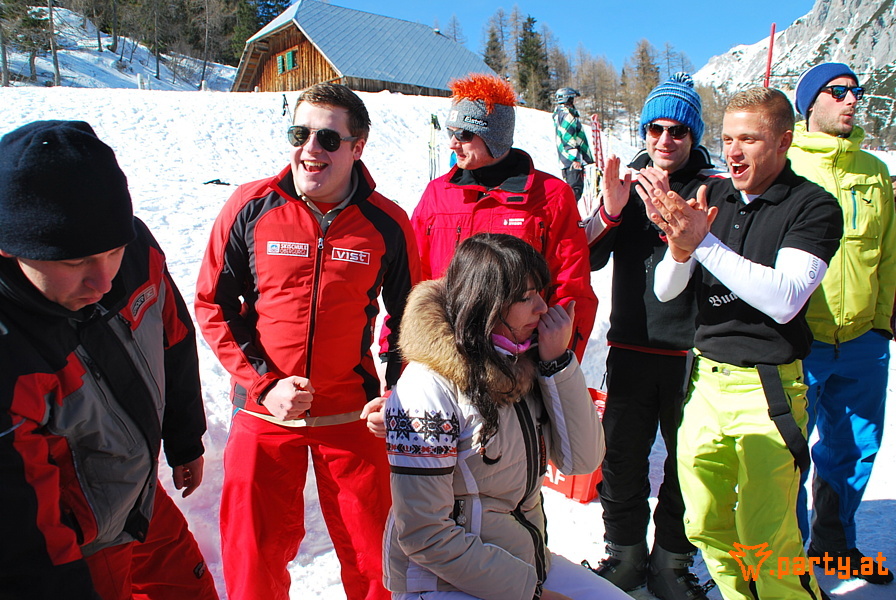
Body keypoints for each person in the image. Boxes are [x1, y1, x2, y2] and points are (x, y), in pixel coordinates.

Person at [195, 83, 420, 600]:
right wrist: (264, 384)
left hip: (350, 412)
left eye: (328, 138)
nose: (310, 149)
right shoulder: (250, 207)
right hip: (264, 410)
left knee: (376, 558)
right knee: (253, 555)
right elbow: (213, 304)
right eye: (300, 134)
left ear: (357, 147)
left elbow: (413, 318)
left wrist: (397, 393)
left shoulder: (387, 222)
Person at [0, 120, 217, 600]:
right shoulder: (12, 351)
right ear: (11, 247)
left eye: (113, 251)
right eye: (74, 262)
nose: (103, 281)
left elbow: (174, 340)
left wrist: (184, 437)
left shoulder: (136, 248)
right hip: (77, 541)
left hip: (138, 498)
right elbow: (24, 541)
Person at [650, 87, 842, 599]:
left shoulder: (813, 206)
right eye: (728, 138)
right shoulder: (713, 198)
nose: (733, 152)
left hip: (768, 390)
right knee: (704, 525)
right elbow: (666, 290)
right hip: (705, 385)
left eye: (749, 140)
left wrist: (703, 243)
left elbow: (785, 299)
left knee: (768, 539)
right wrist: (680, 248)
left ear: (783, 141)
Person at [382, 233, 630, 600]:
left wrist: (558, 363)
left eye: (541, 293)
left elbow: (582, 461)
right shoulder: (427, 386)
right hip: (442, 579)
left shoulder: (521, 362)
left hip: (523, 561)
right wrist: (531, 594)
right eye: (526, 297)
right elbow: (424, 535)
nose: (542, 308)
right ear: (486, 303)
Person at [585, 73, 720, 600]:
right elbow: (587, 256)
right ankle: (624, 556)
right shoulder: (627, 182)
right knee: (621, 459)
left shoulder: (712, 186)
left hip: (691, 351)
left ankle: (671, 563)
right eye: (655, 128)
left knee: (687, 464)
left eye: (678, 131)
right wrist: (611, 211)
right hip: (631, 346)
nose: (665, 139)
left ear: (693, 135)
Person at [789, 62, 896, 584]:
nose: (852, 99)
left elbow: (889, 253)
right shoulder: (784, 162)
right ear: (810, 103)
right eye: (838, 91)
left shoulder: (874, 171)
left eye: (857, 90)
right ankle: (789, 565)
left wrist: (881, 324)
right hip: (799, 339)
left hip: (862, 341)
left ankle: (834, 546)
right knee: (786, 455)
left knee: (853, 449)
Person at [412, 73, 597, 362]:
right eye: (451, 132)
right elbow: (413, 281)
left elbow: (571, 288)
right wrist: (398, 357)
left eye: (464, 134)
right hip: (444, 356)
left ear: (494, 137)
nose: (453, 144)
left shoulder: (551, 196)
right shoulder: (437, 194)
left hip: (518, 363)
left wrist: (557, 360)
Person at [554, 87, 595, 201]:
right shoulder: (567, 115)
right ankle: (568, 212)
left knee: (571, 191)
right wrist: (575, 159)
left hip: (565, 160)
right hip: (571, 160)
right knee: (575, 191)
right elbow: (569, 138)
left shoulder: (559, 114)